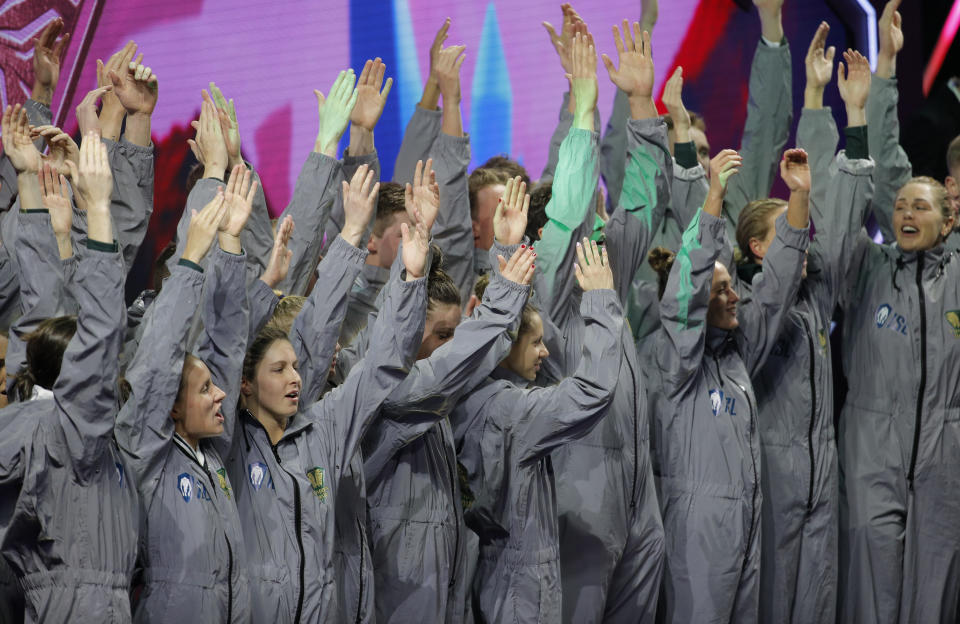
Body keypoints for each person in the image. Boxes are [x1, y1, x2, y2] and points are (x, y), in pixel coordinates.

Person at [227, 169, 430, 623]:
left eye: (295, 367)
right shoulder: (228, 447)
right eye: (278, 370)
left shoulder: (325, 429)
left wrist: (412, 277)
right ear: (245, 382)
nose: (295, 378)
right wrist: (351, 234)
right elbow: (227, 343)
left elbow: (382, 361)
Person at [533, 26, 666, 623]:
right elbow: (568, 207)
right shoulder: (549, 279)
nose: (599, 212)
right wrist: (583, 109)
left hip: (641, 497)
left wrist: (641, 103)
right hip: (580, 499)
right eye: (589, 207)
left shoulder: (604, 262)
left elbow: (643, 202)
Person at [647, 145, 810, 623]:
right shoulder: (675, 359)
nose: (734, 295)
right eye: (720, 290)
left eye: (731, 286)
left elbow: (777, 287)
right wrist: (713, 195)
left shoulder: (738, 353)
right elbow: (689, 286)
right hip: (696, 524)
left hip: (745, 519)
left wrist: (799, 198)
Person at [750, 45, 875, 623]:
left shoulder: (817, 295)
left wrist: (853, 117)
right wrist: (798, 195)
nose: (803, 239)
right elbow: (776, 286)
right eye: (788, 232)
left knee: (818, 603)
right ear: (758, 248)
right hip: (773, 473)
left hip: (821, 466)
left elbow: (846, 220)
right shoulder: (752, 308)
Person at [0, 131, 139, 623]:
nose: (111, 372)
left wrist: (29, 184)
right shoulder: (70, 433)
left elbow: (39, 317)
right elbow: (101, 328)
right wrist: (97, 209)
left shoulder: (32, 418)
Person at [452, 238, 623, 623]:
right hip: (519, 592)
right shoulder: (511, 410)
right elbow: (593, 392)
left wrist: (507, 251)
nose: (545, 352)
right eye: (535, 342)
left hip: (499, 582)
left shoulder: (469, 395)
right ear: (507, 345)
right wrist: (600, 301)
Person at [115, 168, 258, 623]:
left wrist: (232, 246)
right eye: (204, 389)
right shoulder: (145, 453)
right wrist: (192, 260)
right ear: (172, 406)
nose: (221, 395)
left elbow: (229, 346)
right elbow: (158, 360)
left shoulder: (213, 455)